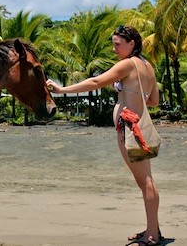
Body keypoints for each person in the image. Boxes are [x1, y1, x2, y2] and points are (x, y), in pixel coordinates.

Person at [45, 25, 162, 246]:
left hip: (131, 129)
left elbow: (97, 82)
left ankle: (153, 236)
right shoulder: (147, 66)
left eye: (118, 44)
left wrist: (62, 90)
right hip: (137, 127)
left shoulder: (127, 64)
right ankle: (152, 228)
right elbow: (154, 101)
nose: (114, 48)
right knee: (144, 180)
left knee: (145, 181)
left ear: (131, 44)